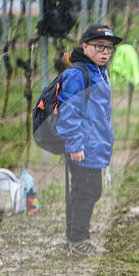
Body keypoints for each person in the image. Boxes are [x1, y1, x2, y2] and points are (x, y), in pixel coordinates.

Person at [55, 23, 121, 259]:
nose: (105, 52)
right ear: (85, 47)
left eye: (109, 49)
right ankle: (78, 240)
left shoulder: (98, 72)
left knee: (81, 192)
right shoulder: (78, 74)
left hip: (94, 147)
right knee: (89, 192)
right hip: (83, 149)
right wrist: (74, 145)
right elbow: (69, 113)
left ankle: (73, 239)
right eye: (99, 47)